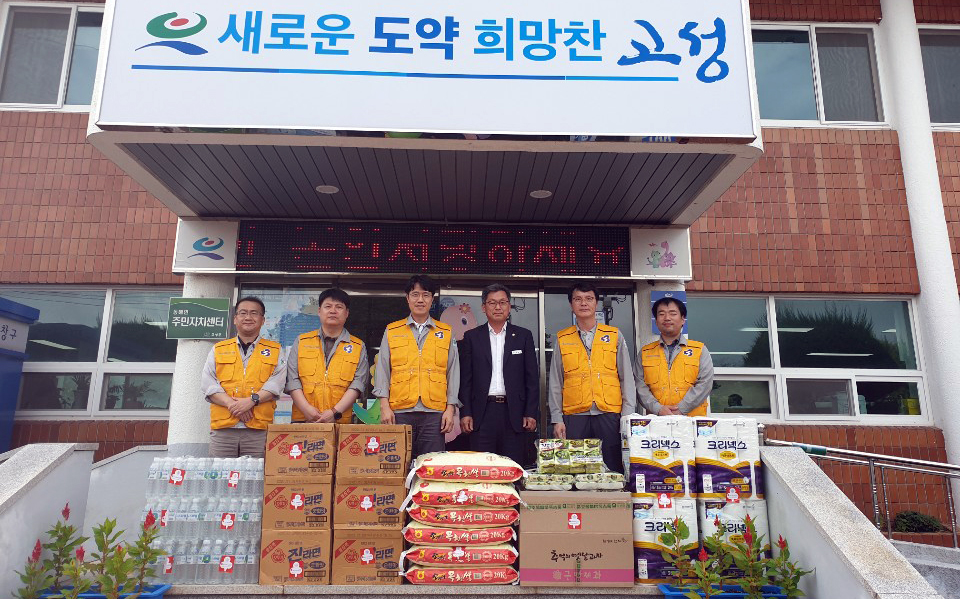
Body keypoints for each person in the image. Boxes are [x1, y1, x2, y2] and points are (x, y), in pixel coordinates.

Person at [548, 282, 636, 473]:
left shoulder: (614, 335)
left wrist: (627, 415)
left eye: (589, 299)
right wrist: (557, 418)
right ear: (571, 304)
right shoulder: (563, 338)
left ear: (596, 303)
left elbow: (626, 377)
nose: (583, 303)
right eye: (578, 299)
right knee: (575, 468)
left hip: (609, 414)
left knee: (613, 468)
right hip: (574, 416)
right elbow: (556, 381)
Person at [373, 275, 460, 458]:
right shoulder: (392, 330)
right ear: (407, 298)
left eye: (426, 295)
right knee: (398, 464)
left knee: (430, 465)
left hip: (434, 413)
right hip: (400, 412)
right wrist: (384, 406)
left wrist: (450, 408)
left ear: (432, 299)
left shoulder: (445, 332)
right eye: (415, 294)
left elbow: (453, 371)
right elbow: (382, 369)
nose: (420, 300)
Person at [459, 284, 539, 466]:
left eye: (502, 302)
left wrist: (530, 412)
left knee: (512, 468)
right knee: (482, 468)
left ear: (509, 306)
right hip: (482, 413)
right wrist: (466, 412)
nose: (498, 307)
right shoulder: (472, 337)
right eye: (492, 303)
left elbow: (532, 379)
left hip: (514, 413)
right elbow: (465, 379)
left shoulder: (523, 336)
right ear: (483, 307)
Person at [200, 296, 286, 458]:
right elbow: (208, 383)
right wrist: (234, 405)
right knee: (220, 473)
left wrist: (251, 401)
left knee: (256, 473)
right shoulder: (219, 349)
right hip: (223, 429)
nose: (248, 317)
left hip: (258, 430)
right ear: (235, 319)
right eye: (243, 313)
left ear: (262, 320)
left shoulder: (275, 350)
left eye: (254, 313)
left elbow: (277, 384)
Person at [286, 288, 369, 423]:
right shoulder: (302, 341)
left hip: (339, 422)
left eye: (339, 307)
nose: (333, 311)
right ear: (319, 311)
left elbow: (357, 384)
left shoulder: (358, 346)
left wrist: (334, 412)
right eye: (328, 306)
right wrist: (306, 409)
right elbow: (292, 380)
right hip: (303, 420)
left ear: (347, 313)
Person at [635, 297, 715, 417]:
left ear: (683, 319)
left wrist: (681, 409)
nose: (667, 318)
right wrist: (658, 409)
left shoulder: (699, 350)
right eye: (661, 314)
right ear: (656, 321)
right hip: (657, 421)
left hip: (692, 421)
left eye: (673, 313)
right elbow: (639, 385)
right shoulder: (645, 352)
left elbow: (705, 383)